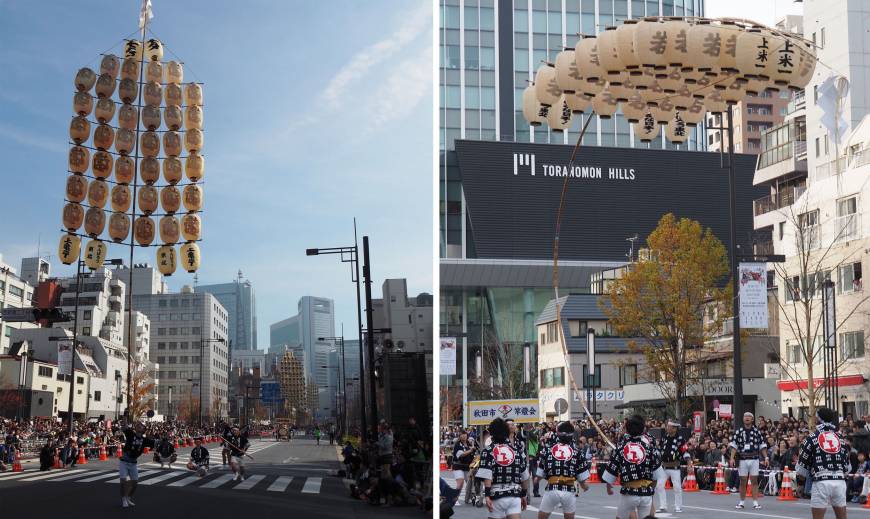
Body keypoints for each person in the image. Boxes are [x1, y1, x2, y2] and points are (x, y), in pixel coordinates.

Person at [602, 415, 664, 519]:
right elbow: (656, 475)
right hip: (646, 493)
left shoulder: (621, 448)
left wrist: (609, 487)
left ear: (626, 429)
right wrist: (650, 490)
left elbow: (612, 469)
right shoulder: (650, 449)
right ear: (643, 429)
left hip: (629, 492)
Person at [796, 407, 850, 519]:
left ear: (818, 419)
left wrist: (801, 484)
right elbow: (846, 466)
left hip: (821, 481)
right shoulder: (840, 438)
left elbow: (801, 469)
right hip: (839, 481)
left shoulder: (812, 438)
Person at [536, 421, 590, 519]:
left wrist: (537, 480)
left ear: (558, 434)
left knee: (542, 517)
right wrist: (584, 486)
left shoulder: (548, 450)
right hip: (569, 490)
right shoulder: (577, 452)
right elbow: (581, 478)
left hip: (552, 488)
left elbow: (540, 474)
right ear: (572, 435)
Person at [479, 417, 529, 519]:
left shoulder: (488, 451)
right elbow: (524, 476)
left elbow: (488, 476)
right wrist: (524, 494)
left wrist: (487, 495)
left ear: (492, 433)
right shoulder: (516, 451)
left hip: (496, 495)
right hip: (514, 495)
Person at [729, 412, 768, 510]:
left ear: (752, 419)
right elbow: (734, 446)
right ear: (743, 419)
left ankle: (755, 502)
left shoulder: (757, 431)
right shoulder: (739, 431)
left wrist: (766, 457)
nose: (747, 418)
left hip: (754, 459)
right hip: (742, 459)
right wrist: (732, 458)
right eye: (745, 416)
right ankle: (741, 502)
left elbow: (762, 445)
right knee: (743, 481)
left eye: (749, 417)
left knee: (754, 480)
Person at [118, 421, 156, 508]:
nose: (139, 426)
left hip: (133, 463)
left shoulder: (145, 440)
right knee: (123, 481)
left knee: (135, 483)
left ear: (143, 430)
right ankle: (123, 498)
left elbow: (154, 443)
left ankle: (128, 497)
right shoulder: (131, 434)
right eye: (138, 425)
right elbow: (124, 427)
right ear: (135, 428)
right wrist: (124, 419)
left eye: (141, 426)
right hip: (124, 461)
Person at [655, 420, 686, 513]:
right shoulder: (664, 437)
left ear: (674, 428)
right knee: (659, 486)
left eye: (669, 427)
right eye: (667, 426)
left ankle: (678, 506)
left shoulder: (680, 439)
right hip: (663, 466)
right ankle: (663, 506)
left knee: (677, 487)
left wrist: (689, 463)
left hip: (675, 466)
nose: (667, 428)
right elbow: (660, 449)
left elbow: (685, 451)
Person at [451, 430, 475, 505]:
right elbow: (460, 455)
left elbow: (474, 454)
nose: (464, 436)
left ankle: (470, 497)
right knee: (460, 482)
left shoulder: (469, 444)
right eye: (462, 434)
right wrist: (471, 450)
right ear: (459, 436)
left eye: (465, 434)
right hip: (458, 466)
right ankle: (455, 498)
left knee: (470, 482)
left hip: (467, 466)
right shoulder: (457, 445)